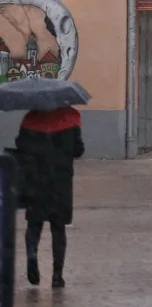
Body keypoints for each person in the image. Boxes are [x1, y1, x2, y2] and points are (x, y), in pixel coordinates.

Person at [15, 105, 85, 289]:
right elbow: (78, 150)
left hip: (36, 178)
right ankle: (57, 276)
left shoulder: (31, 118)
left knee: (34, 223)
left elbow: (20, 145)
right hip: (60, 181)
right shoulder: (71, 117)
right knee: (58, 228)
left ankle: (32, 254)